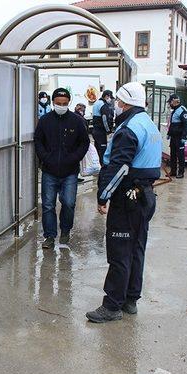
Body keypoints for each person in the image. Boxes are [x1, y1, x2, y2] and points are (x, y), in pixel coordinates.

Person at [86, 82, 161, 323]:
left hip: (128, 196)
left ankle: (112, 305)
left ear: (126, 103)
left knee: (119, 251)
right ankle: (130, 299)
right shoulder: (148, 124)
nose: (115, 106)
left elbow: (119, 168)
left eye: (118, 102)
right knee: (136, 248)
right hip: (145, 196)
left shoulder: (129, 129)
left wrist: (103, 196)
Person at [34, 88, 89, 249]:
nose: (61, 106)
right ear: (53, 103)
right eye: (58, 103)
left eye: (64, 104)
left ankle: (65, 230)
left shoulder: (76, 121)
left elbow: (84, 142)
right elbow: (38, 140)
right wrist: (45, 157)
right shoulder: (45, 121)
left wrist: (74, 158)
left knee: (69, 202)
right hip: (49, 170)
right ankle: (50, 236)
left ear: (68, 103)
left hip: (70, 171)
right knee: (48, 204)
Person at [166, 94, 187, 179]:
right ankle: (173, 171)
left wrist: (184, 136)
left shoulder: (182, 110)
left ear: (174, 101)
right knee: (172, 154)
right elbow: (172, 124)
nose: (170, 104)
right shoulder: (175, 110)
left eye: (170, 102)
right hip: (173, 136)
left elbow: (186, 124)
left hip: (179, 137)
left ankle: (181, 172)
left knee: (180, 155)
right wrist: (169, 133)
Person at [91, 90, 115, 161]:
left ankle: (97, 164)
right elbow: (104, 119)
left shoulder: (96, 103)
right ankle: (103, 165)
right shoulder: (103, 105)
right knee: (103, 150)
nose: (111, 100)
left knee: (97, 149)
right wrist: (108, 130)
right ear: (107, 96)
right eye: (110, 97)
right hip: (101, 131)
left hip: (95, 130)